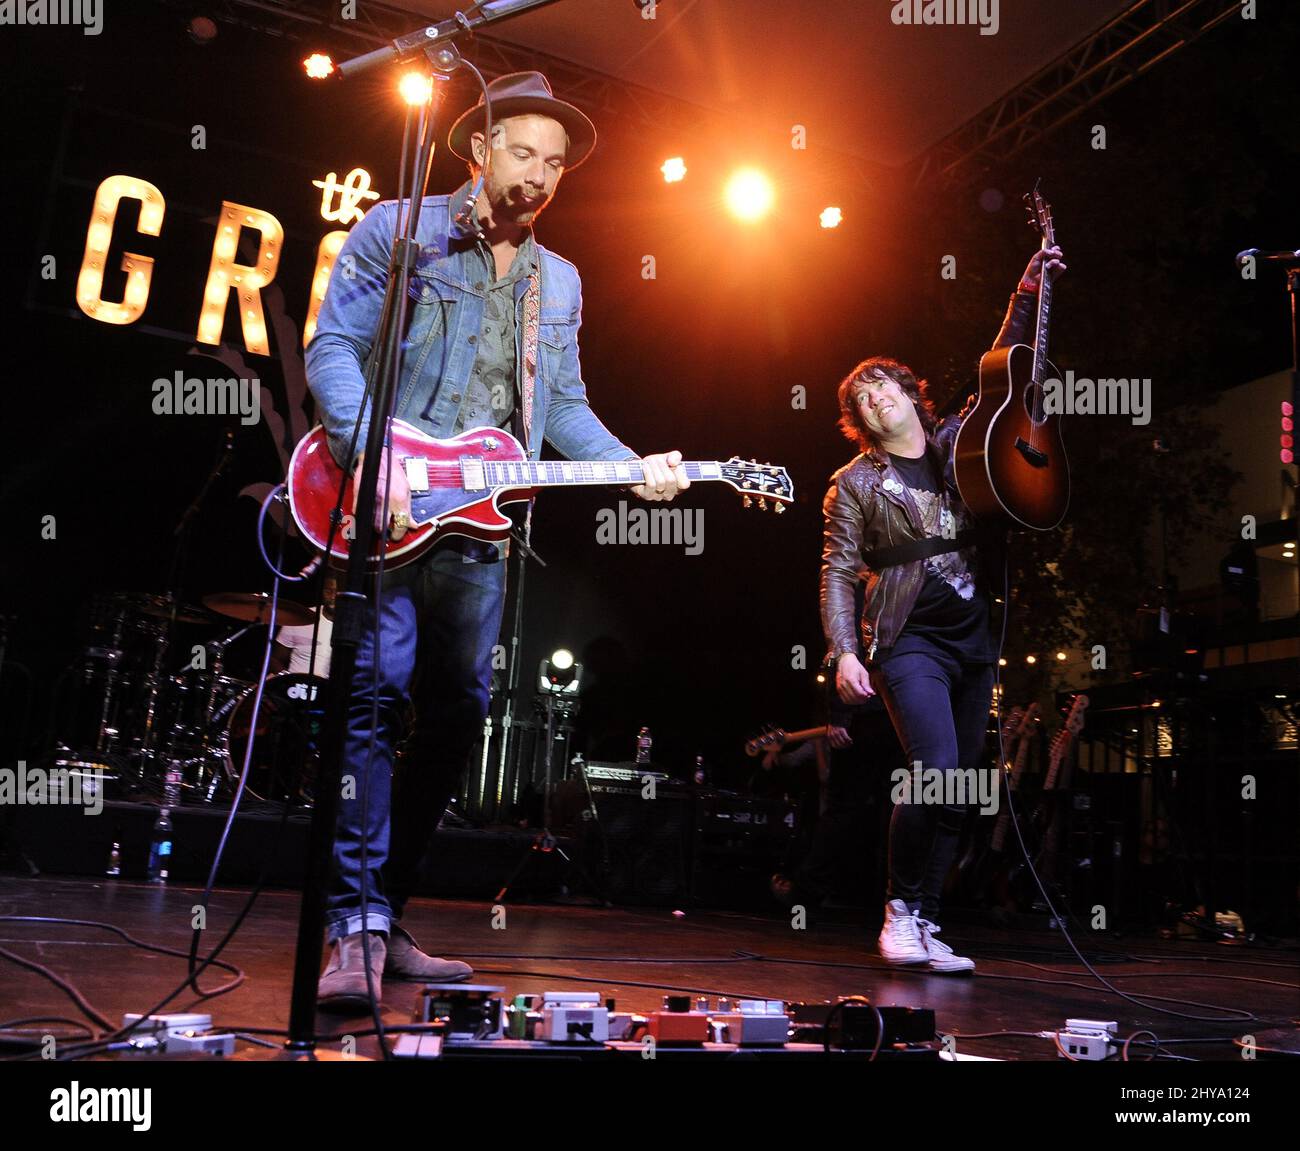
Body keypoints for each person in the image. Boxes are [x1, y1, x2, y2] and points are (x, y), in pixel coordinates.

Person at [306, 72, 690, 1010]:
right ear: (477, 151)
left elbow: (560, 404)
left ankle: (385, 914)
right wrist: (374, 459)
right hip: (386, 506)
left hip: (482, 527)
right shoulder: (402, 230)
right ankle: (347, 923)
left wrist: (632, 463)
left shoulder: (558, 281)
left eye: (555, 162)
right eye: (524, 151)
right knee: (372, 694)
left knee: (455, 715)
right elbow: (331, 351)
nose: (542, 173)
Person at [820, 243, 1065, 973]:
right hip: (905, 638)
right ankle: (897, 910)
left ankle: (927, 918)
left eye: (884, 386)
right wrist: (843, 650)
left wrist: (1030, 282)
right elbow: (836, 570)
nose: (875, 398)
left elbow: (1007, 356)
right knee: (935, 768)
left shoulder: (962, 443)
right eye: (861, 398)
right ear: (858, 419)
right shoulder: (852, 484)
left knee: (961, 785)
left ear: (908, 390)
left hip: (971, 636)